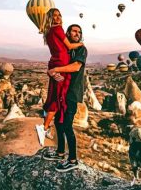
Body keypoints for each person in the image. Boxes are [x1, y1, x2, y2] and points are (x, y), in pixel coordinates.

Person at [43, 24, 88, 172]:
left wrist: (56, 69)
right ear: (67, 33)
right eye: (74, 31)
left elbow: (75, 67)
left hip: (72, 92)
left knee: (67, 125)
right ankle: (60, 152)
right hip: (61, 91)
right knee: (58, 122)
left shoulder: (81, 49)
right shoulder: (65, 49)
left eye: (79, 32)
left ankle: (73, 159)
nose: (77, 33)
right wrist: (52, 71)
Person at [36, 9, 84, 146]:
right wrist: (81, 44)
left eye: (59, 15)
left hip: (56, 62)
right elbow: (68, 46)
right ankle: (44, 127)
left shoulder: (49, 32)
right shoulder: (57, 29)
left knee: (54, 96)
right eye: (54, 16)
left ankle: (49, 128)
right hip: (61, 64)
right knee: (57, 98)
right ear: (50, 18)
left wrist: (52, 70)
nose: (57, 18)